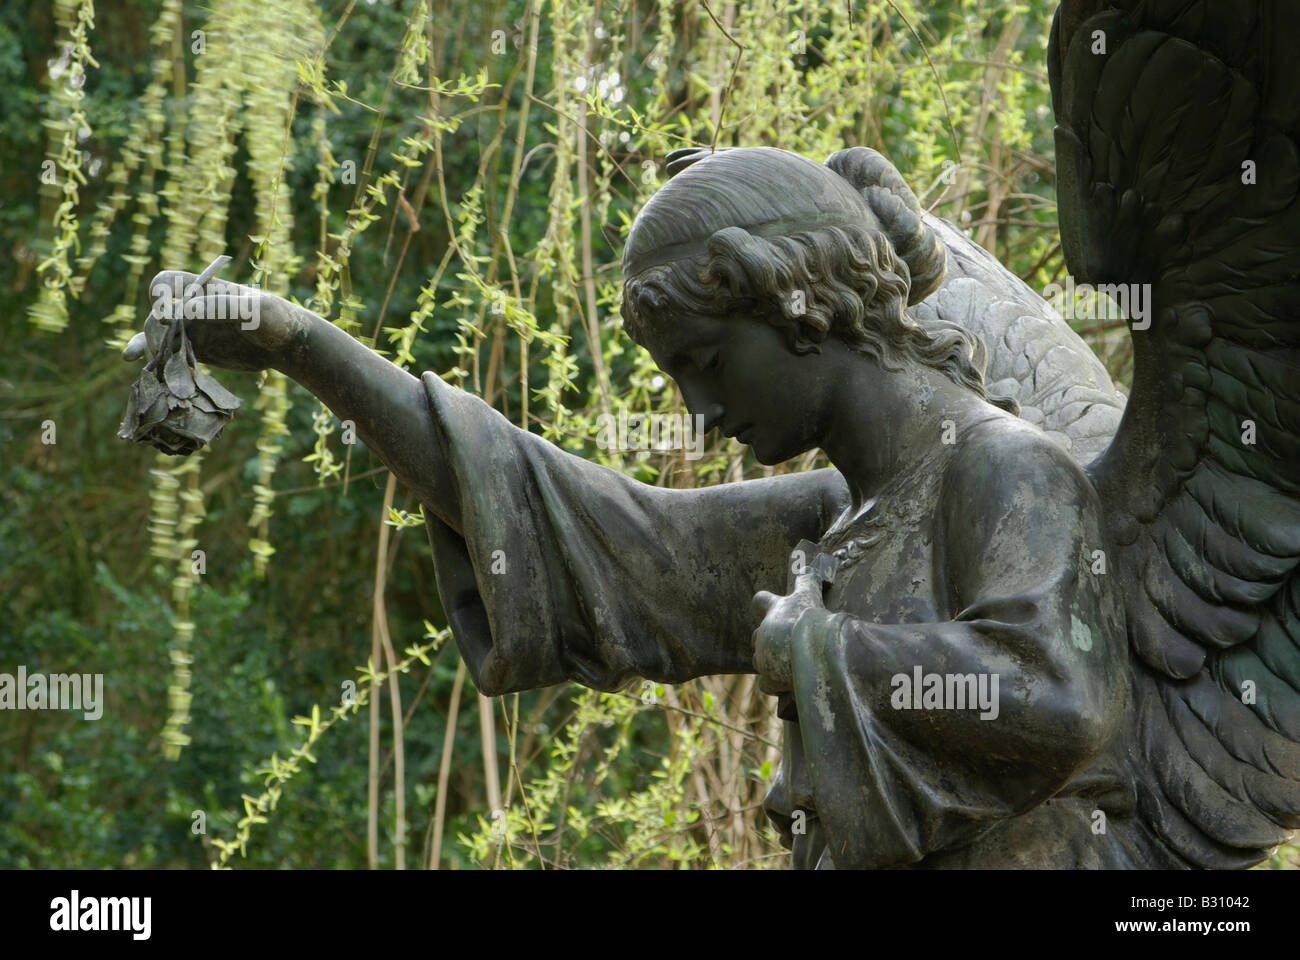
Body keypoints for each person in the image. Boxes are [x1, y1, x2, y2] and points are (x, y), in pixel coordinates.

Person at [125, 146, 1150, 868]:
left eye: (705, 365)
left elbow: (1064, 699)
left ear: (795, 304)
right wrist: (292, 339)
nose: (699, 413)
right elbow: (580, 530)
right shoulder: (839, 511)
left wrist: (821, 652)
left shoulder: (1003, 469)